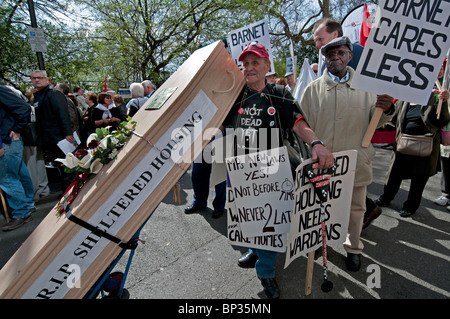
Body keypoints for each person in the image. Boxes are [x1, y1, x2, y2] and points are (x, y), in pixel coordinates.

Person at [223, 42, 334, 299]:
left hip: (273, 169)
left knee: (269, 222)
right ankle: (254, 249)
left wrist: (316, 143)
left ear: (266, 65)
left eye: (255, 62)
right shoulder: (233, 94)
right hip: (240, 169)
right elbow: (215, 122)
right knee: (247, 217)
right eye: (245, 63)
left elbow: (298, 123)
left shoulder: (280, 92)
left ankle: (266, 273)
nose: (249, 68)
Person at [299, 36, 395, 271]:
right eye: (330, 55)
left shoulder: (366, 88)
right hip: (322, 164)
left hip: (356, 163)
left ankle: (353, 248)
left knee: (356, 211)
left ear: (350, 56)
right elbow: (303, 125)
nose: (336, 58)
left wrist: (388, 108)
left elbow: (378, 121)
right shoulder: (312, 90)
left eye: (341, 53)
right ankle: (319, 242)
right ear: (324, 59)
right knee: (320, 208)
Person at [313, 17, 382, 229]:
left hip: (354, 141)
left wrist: (385, 108)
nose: (317, 45)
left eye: (319, 39)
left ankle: (354, 242)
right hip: (329, 143)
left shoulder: (360, 58)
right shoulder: (319, 78)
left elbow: (372, 105)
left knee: (353, 196)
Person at [375, 66, 450, 218]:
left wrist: (443, 103)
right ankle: (386, 198)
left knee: (419, 180)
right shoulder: (404, 100)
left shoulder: (433, 98)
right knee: (394, 175)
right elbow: (393, 122)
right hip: (402, 145)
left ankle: (410, 207)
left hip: (425, 147)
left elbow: (442, 120)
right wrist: (374, 126)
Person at [31, 70, 74, 192]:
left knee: (67, 166)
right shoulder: (38, 95)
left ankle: (69, 192)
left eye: (39, 77)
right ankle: (65, 191)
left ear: (46, 79)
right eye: (34, 78)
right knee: (59, 167)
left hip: (60, 138)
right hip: (48, 139)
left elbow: (63, 114)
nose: (37, 80)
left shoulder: (54, 93)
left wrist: (68, 133)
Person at [0, 85, 35, 231]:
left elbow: (24, 108)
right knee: (19, 173)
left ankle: (21, 212)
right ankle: (27, 204)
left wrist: (16, 128)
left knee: (7, 178)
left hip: (6, 141)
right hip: (9, 140)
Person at [23, 88, 50, 202]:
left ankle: (35, 193)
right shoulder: (40, 107)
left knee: (31, 166)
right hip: (38, 138)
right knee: (39, 163)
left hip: (30, 139)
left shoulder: (28, 107)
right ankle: (43, 189)